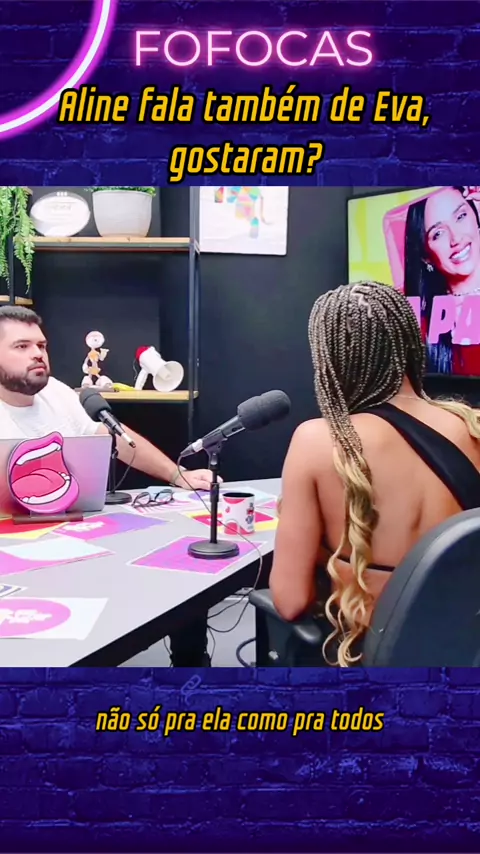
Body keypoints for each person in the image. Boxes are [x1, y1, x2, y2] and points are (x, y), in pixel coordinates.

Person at [269, 281, 480, 667]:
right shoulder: (472, 427)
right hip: (466, 653)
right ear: (410, 345)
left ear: (330, 359)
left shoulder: (319, 441)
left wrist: (324, 552)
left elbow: (290, 600)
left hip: (367, 656)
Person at [0, 305, 213, 666]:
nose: (37, 354)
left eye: (42, 345)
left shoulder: (57, 393)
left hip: (72, 535)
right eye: (22, 346)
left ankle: (190, 669)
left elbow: (116, 438)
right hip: (15, 553)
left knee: (183, 562)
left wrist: (179, 475)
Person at [404, 185, 480, 375]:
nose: (456, 239)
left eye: (461, 216)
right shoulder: (420, 326)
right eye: (438, 233)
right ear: (426, 256)